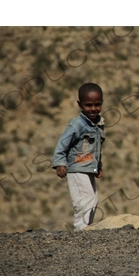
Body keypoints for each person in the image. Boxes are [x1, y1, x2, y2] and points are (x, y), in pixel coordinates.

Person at [52, 83, 105, 231]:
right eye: (88, 105)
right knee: (84, 201)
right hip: (76, 168)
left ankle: (86, 229)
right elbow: (62, 144)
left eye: (97, 104)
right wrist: (60, 163)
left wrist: (98, 165)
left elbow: (96, 148)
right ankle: (81, 231)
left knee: (93, 199)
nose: (93, 109)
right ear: (79, 104)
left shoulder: (98, 124)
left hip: (88, 168)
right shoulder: (77, 124)